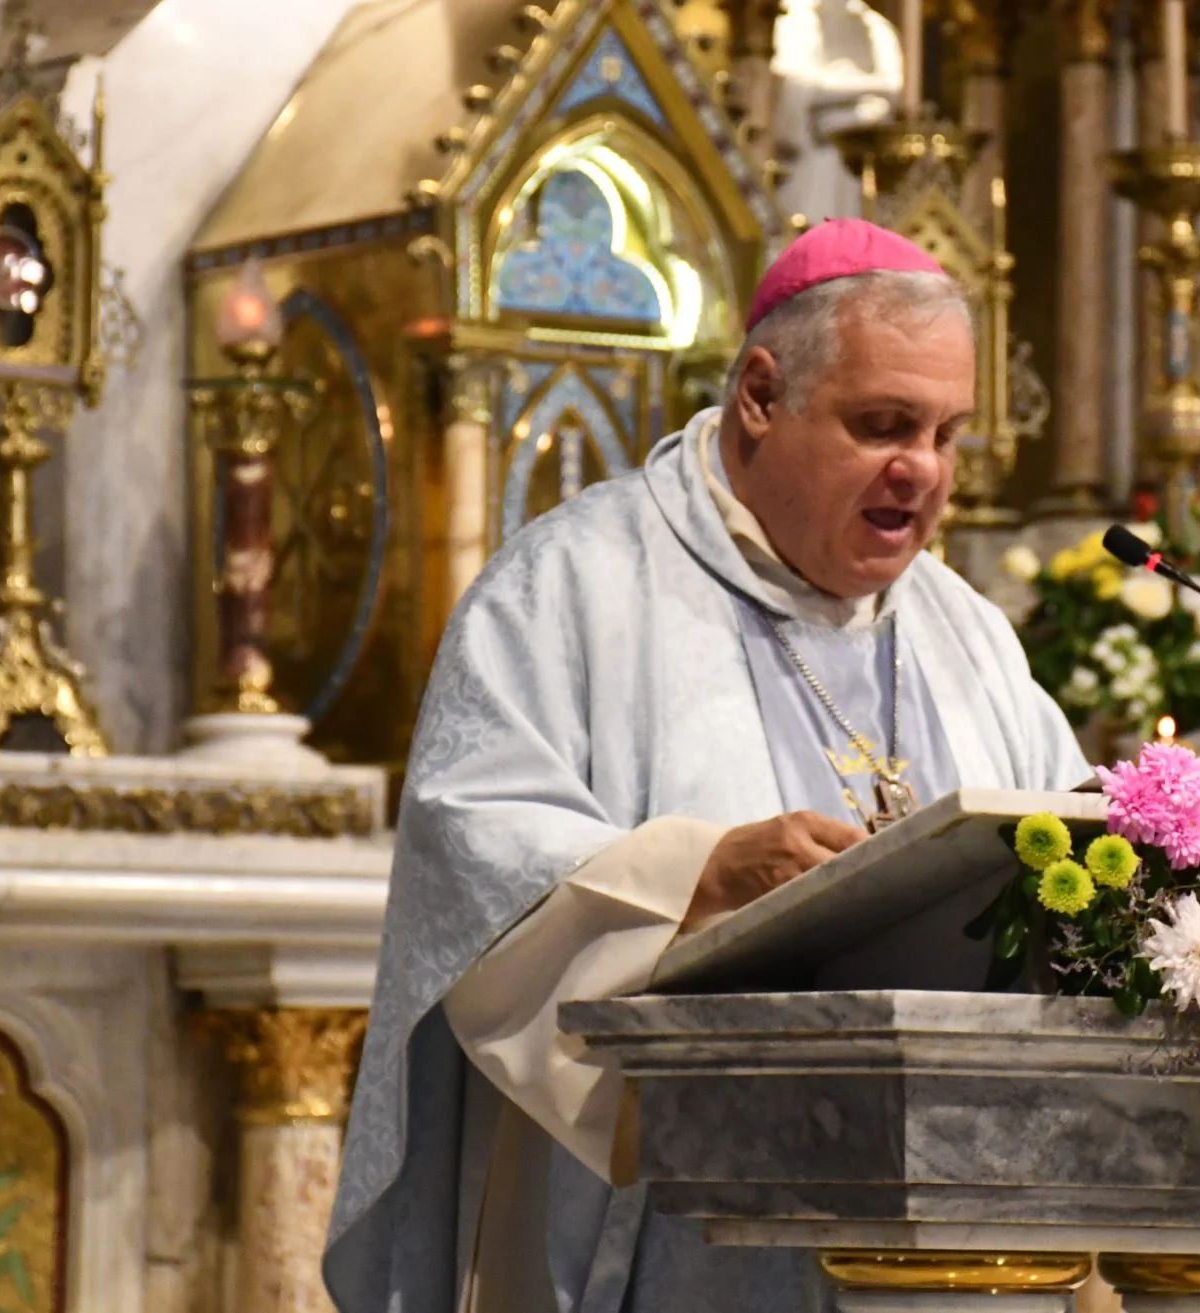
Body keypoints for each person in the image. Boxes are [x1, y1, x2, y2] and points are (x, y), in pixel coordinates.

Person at [324, 219, 1088, 1313]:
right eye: (881, 424)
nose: (920, 468)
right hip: (675, 1238)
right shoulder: (576, 586)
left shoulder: (965, 633)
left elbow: (1059, 853)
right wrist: (697, 875)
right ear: (761, 397)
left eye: (946, 432)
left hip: (955, 1241)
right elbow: (470, 843)